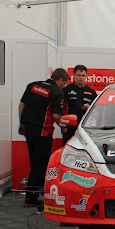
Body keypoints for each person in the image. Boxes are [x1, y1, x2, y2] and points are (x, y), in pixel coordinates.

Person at [19, 68, 70, 207]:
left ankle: (36, 192)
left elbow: (21, 104)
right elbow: (56, 116)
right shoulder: (57, 92)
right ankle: (30, 199)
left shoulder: (32, 85)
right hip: (43, 133)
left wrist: (21, 123)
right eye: (64, 84)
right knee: (40, 165)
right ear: (60, 80)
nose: (64, 87)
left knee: (34, 162)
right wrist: (64, 127)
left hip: (28, 130)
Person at [62, 65, 97, 145]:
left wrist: (89, 108)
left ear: (86, 76)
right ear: (74, 75)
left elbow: (96, 112)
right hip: (69, 127)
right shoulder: (66, 90)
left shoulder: (91, 92)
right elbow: (61, 108)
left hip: (84, 128)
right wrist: (63, 126)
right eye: (78, 75)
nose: (81, 78)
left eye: (83, 75)